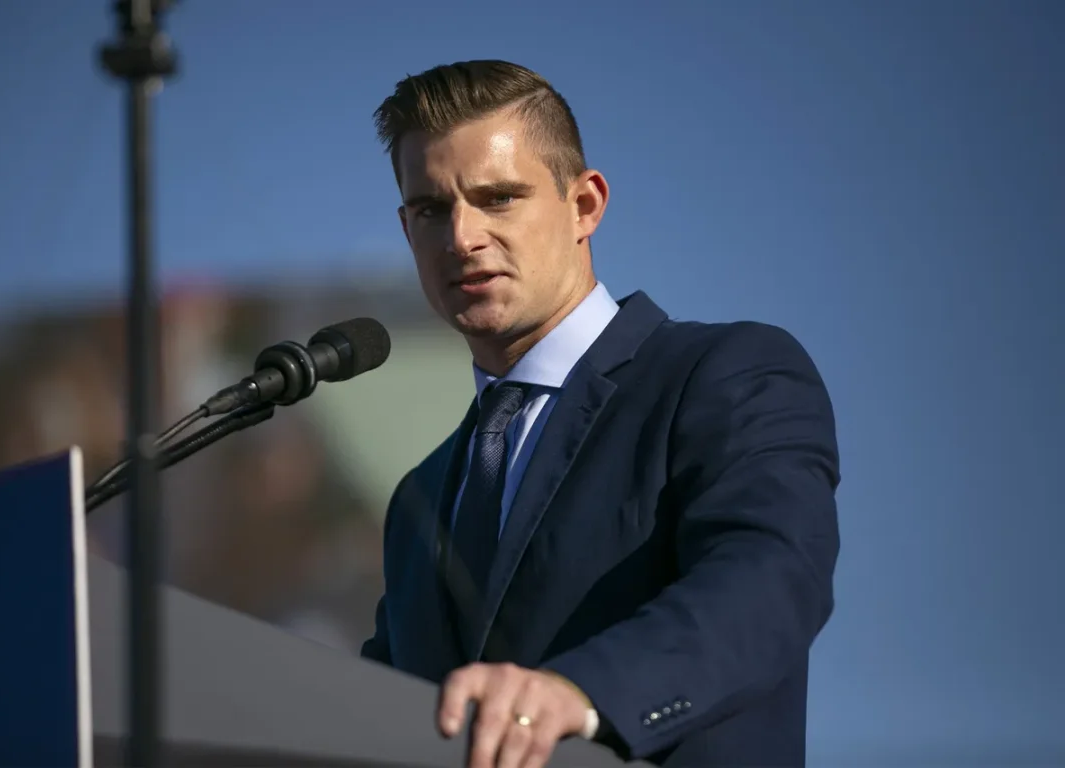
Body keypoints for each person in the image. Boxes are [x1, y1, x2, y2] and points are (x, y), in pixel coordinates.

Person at [360, 59, 841, 768]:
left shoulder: (722, 374)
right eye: (432, 210)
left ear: (584, 205)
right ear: (408, 231)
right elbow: (375, 711)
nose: (462, 238)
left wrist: (580, 694)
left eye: (498, 198)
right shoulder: (420, 499)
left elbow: (769, 580)